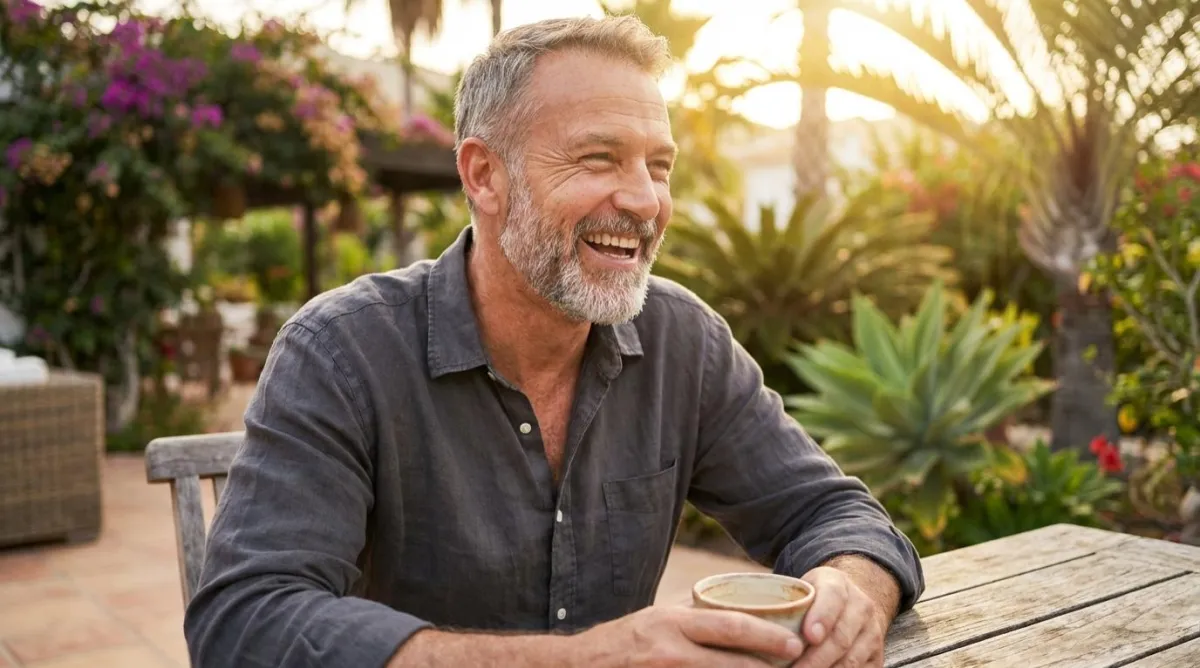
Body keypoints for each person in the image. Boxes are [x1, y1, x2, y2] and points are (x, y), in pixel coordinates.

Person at [184, 14, 924, 668]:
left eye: (657, 165)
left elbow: (834, 515)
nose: (643, 200)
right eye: (599, 158)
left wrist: (848, 589)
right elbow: (246, 623)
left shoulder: (682, 341)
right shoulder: (340, 353)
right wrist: (586, 659)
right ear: (484, 176)